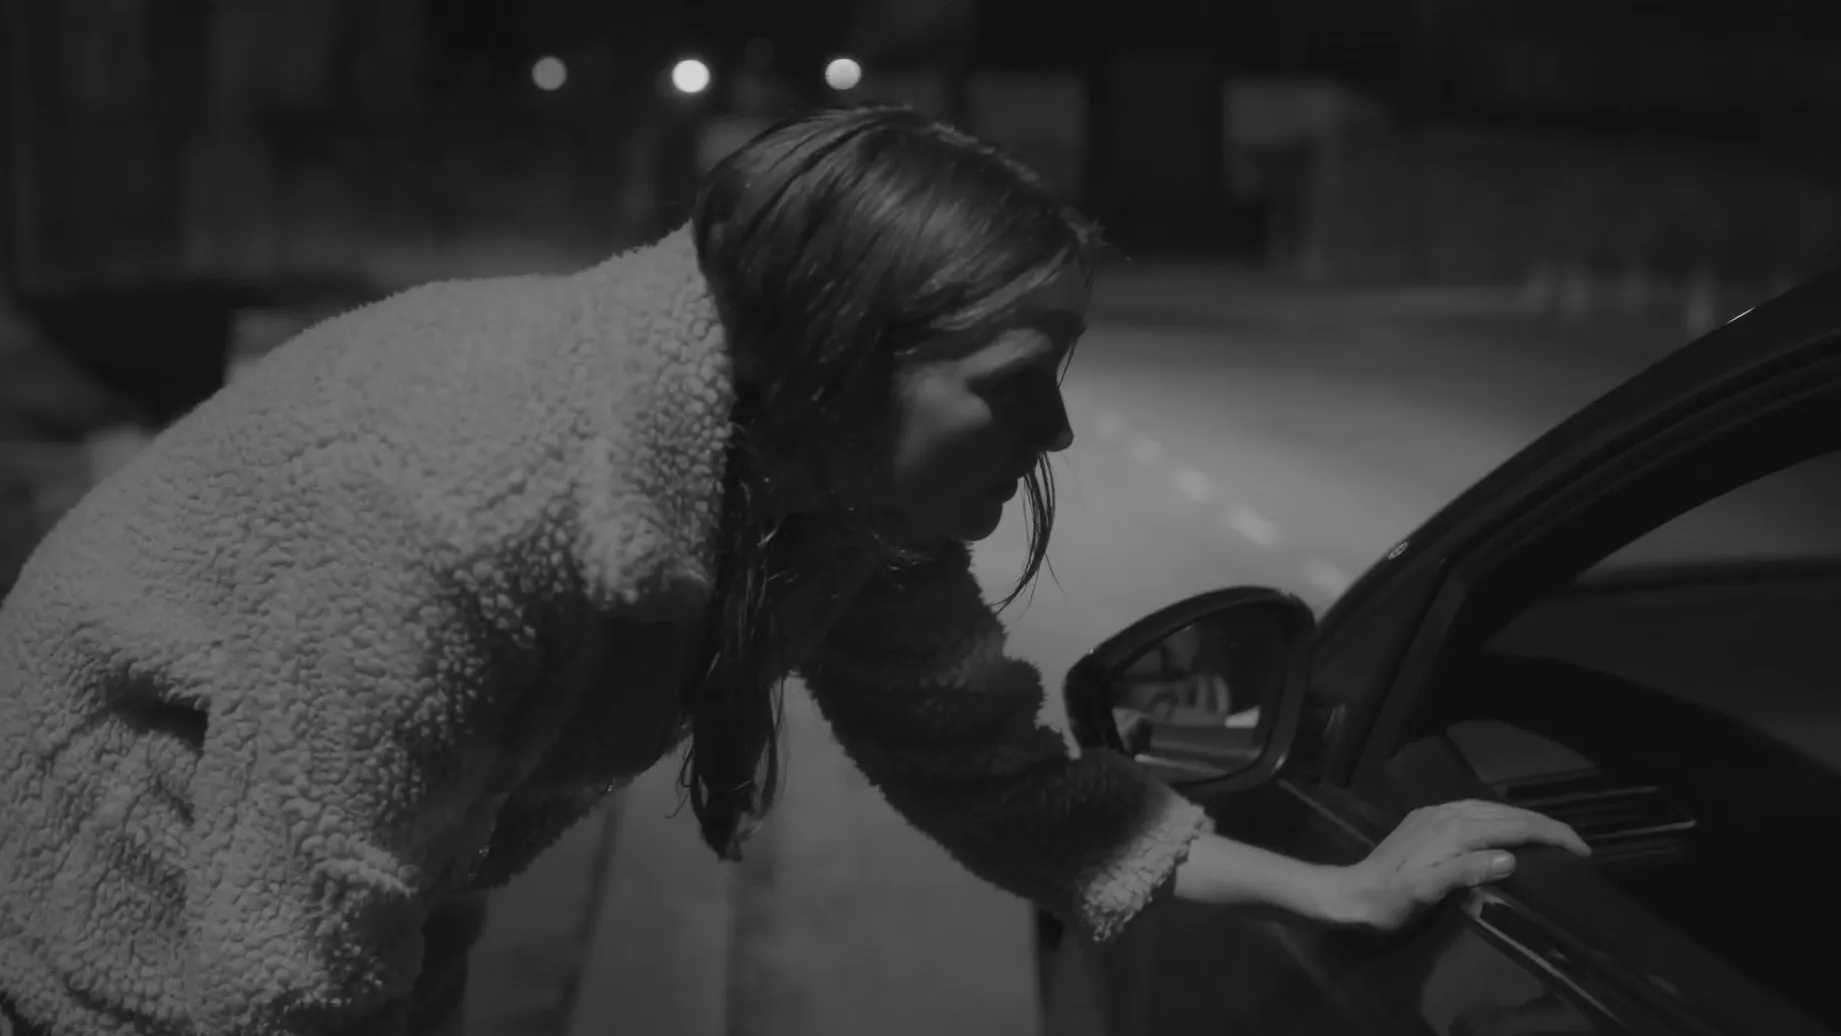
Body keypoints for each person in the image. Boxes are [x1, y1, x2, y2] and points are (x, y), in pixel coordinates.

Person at [0, 103, 1588, 1036]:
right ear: (840, 355)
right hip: (107, 905)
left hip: (340, 928)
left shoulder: (823, 493)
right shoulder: (457, 507)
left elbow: (1009, 788)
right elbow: (284, 960)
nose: (1056, 430)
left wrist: (1346, 884)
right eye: (1018, 374)